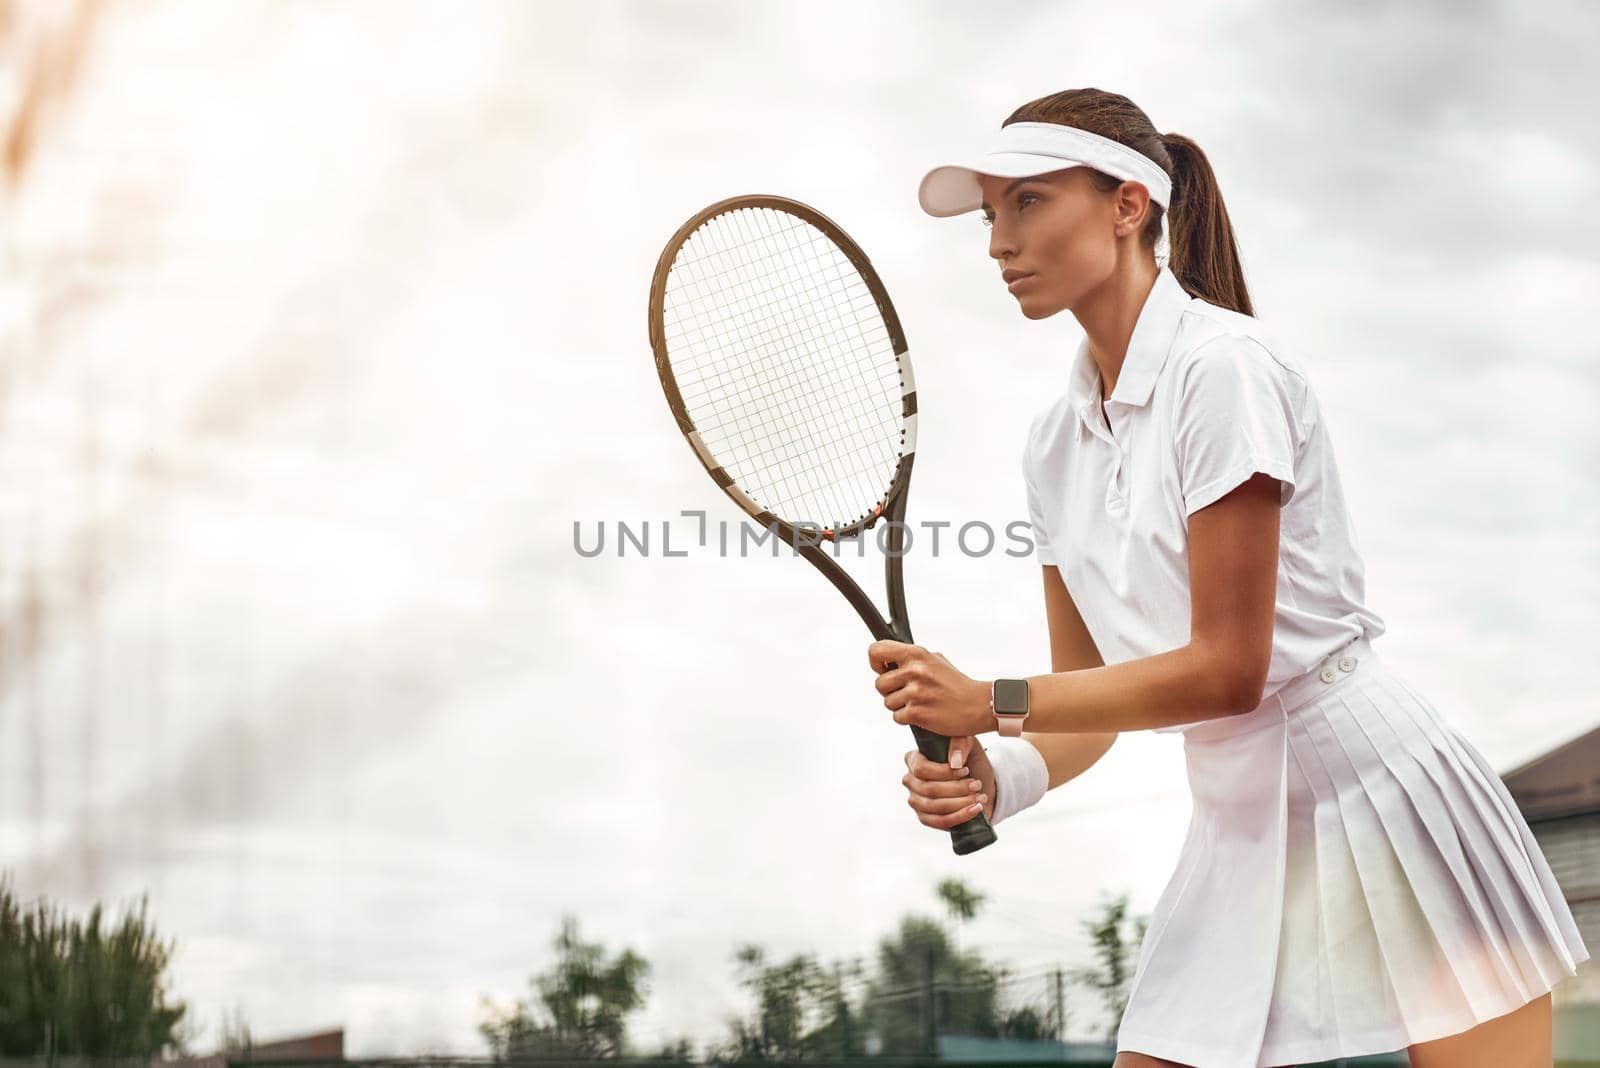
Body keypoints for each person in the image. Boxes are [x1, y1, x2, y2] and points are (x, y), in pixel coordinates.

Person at [867, 87, 1590, 1068]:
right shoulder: (1050, 448)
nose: (997, 240)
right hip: (1239, 831)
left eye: (1027, 202)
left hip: (1385, 793)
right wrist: (1008, 774)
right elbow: (1095, 700)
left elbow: (1227, 671)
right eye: (990, 214)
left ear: (1128, 206)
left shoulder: (1226, 372)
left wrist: (986, 700)